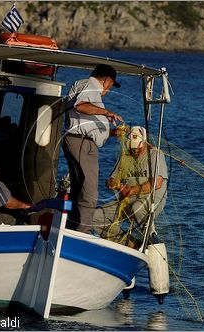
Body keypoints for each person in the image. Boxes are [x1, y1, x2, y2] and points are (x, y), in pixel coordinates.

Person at [63, 64, 124, 233]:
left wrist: (110, 132)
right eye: (111, 85)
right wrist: (107, 113)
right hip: (83, 143)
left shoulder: (83, 86)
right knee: (89, 191)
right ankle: (82, 232)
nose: (109, 89)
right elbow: (81, 106)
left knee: (78, 189)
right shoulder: (91, 85)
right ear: (106, 81)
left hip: (76, 141)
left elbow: (83, 119)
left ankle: (71, 227)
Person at [93, 126, 168, 247]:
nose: (135, 152)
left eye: (138, 149)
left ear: (144, 142)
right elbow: (112, 178)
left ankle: (150, 237)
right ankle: (129, 242)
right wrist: (114, 184)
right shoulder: (126, 155)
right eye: (132, 149)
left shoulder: (156, 154)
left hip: (151, 198)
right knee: (94, 217)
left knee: (137, 207)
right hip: (126, 200)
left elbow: (157, 183)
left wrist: (132, 190)